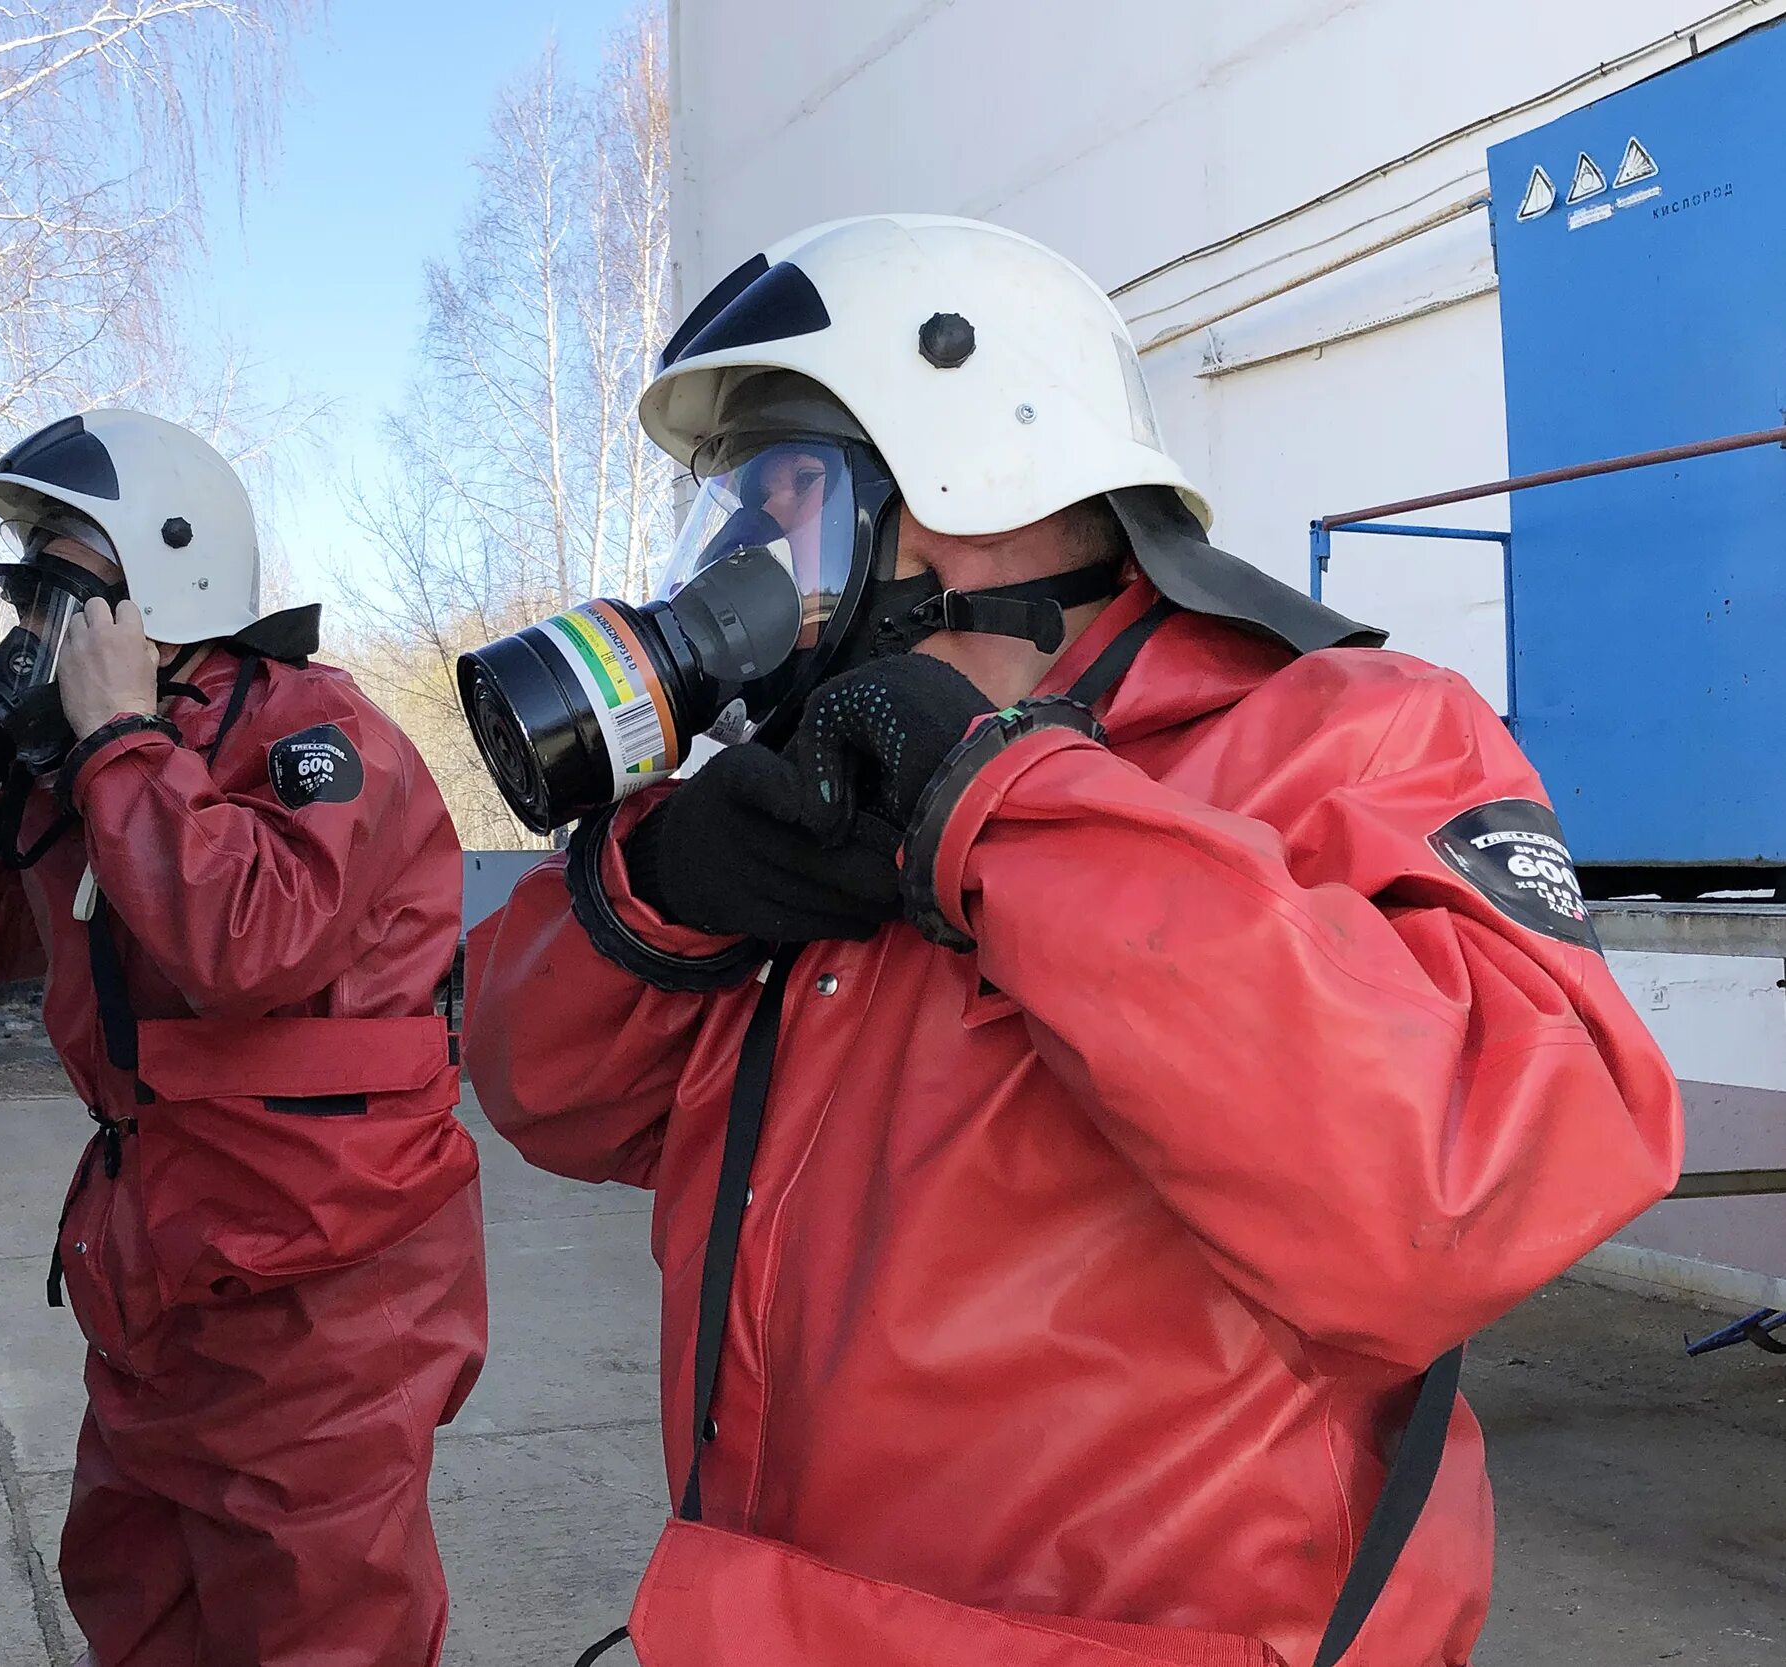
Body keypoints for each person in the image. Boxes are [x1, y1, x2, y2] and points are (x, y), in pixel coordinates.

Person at [462, 215, 1681, 1667]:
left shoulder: (1346, 733)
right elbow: (542, 1087)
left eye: (792, 498)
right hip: (756, 1621)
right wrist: (667, 878)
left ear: (970, 475)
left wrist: (997, 801)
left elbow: (1468, 1186)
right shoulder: (816, 791)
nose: (747, 560)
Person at [0, 409, 487, 1667]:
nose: (37, 632)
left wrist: (119, 744)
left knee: (317, 1621)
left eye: (65, 597)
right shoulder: (111, 768)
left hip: (318, 1285)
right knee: (138, 1588)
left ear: (169, 583)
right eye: (27, 597)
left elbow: (254, 944)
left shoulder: (316, 738)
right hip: (162, 1274)